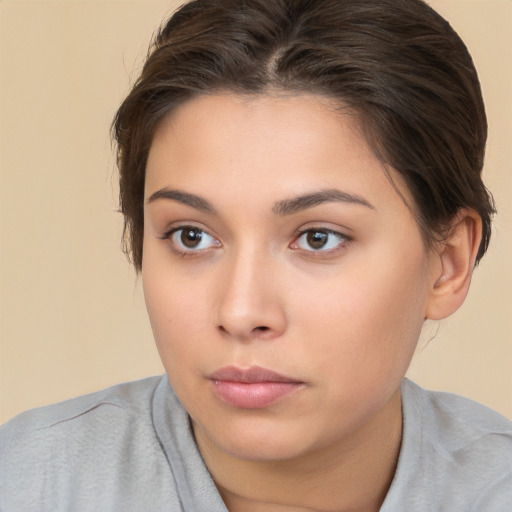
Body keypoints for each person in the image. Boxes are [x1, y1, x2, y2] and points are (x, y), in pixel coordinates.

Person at [1, 0, 511, 510]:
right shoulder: (27, 483)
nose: (241, 313)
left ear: (448, 262)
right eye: (191, 236)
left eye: (318, 238)